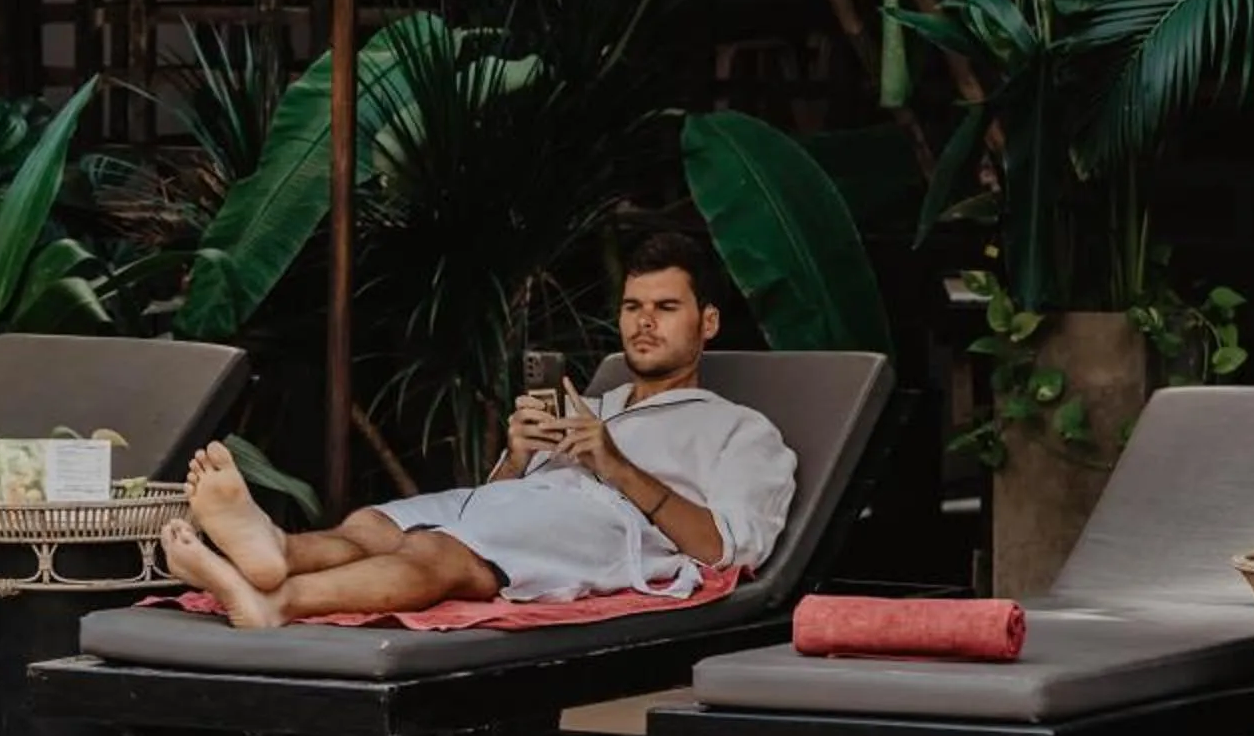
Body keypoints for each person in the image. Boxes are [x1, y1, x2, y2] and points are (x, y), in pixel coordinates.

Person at [160, 229, 797, 631]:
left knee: (439, 554)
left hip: (610, 528)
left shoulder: (740, 431)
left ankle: (279, 601)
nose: (643, 323)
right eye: (632, 307)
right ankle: (275, 550)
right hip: (523, 506)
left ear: (707, 323)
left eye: (665, 308)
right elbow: (500, 503)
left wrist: (616, 466)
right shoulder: (591, 405)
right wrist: (517, 457)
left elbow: (726, 552)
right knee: (374, 527)